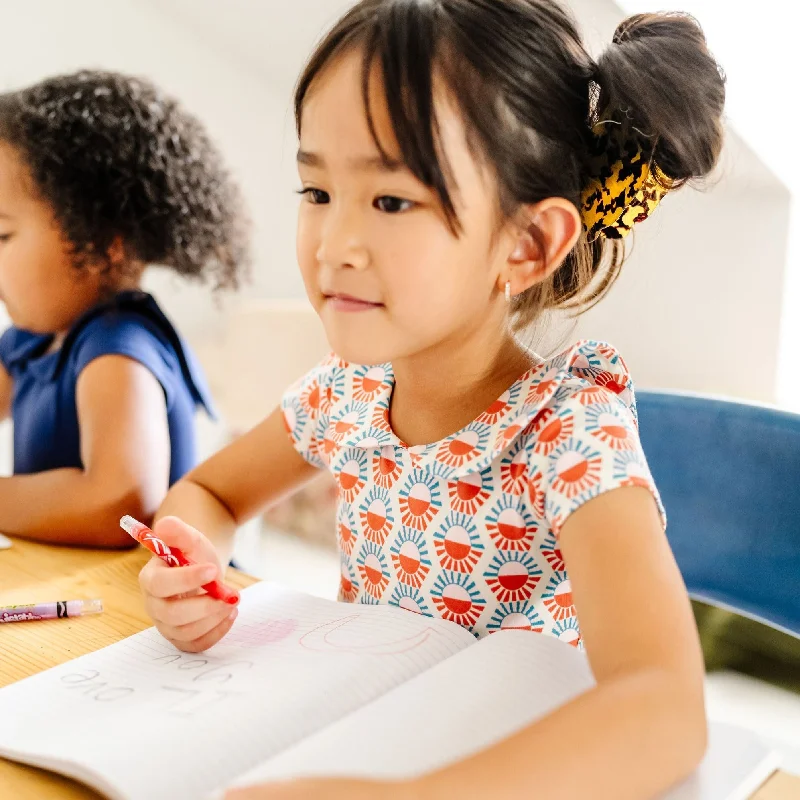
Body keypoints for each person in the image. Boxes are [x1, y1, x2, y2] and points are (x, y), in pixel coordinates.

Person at [139, 1, 725, 797]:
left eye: (389, 201)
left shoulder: (568, 432)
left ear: (525, 244)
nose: (332, 246)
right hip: (365, 728)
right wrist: (191, 563)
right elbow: (206, 490)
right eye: (315, 191)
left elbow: (664, 711)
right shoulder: (346, 392)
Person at [0, 70, 249, 547]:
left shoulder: (117, 346)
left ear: (100, 243)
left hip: (140, 603)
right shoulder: (29, 340)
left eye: (3, 235)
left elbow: (120, 500)